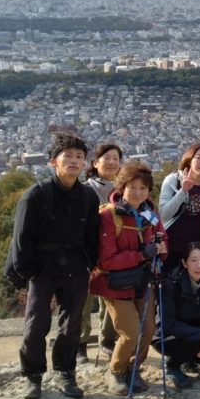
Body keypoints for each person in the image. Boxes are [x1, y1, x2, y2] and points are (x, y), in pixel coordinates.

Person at [8, 133, 100, 399]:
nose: (74, 161)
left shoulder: (88, 197)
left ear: (85, 164)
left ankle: (65, 372)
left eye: (79, 157)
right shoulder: (36, 195)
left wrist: (88, 265)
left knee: (71, 325)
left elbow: (93, 236)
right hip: (42, 267)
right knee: (36, 324)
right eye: (68, 156)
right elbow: (21, 237)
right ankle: (32, 375)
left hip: (75, 265)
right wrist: (29, 272)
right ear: (53, 162)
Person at [90, 161, 167, 396]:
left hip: (143, 280)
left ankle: (134, 368)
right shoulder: (109, 216)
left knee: (148, 328)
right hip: (115, 283)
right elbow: (106, 260)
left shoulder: (149, 213)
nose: (138, 193)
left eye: (143, 188)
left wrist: (161, 251)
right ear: (122, 187)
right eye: (132, 187)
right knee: (130, 331)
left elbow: (162, 236)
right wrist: (142, 254)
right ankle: (116, 371)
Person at [155, 242, 200, 389]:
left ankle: (187, 358)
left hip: (192, 331)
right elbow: (167, 323)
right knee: (194, 344)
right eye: (193, 260)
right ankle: (171, 365)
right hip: (165, 336)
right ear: (184, 263)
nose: (199, 266)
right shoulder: (171, 285)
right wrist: (199, 335)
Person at [82, 141, 123, 363]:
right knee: (83, 299)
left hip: (114, 252)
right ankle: (80, 344)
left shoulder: (124, 190)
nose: (111, 162)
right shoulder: (85, 190)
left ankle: (107, 340)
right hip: (89, 252)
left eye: (116, 159)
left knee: (113, 298)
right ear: (95, 163)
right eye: (106, 158)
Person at [158, 142, 200, 267]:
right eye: (199, 158)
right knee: (169, 284)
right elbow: (164, 214)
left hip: (199, 250)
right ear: (189, 160)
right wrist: (182, 191)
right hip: (170, 246)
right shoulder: (173, 180)